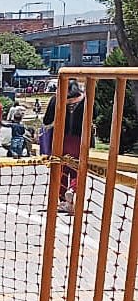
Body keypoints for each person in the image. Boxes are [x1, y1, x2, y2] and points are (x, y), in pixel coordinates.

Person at [43, 79, 91, 214]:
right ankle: (72, 190)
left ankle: (63, 201)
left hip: (60, 138)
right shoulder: (85, 99)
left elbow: (47, 120)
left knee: (61, 169)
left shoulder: (56, 99)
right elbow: (95, 115)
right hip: (79, 139)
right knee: (78, 168)